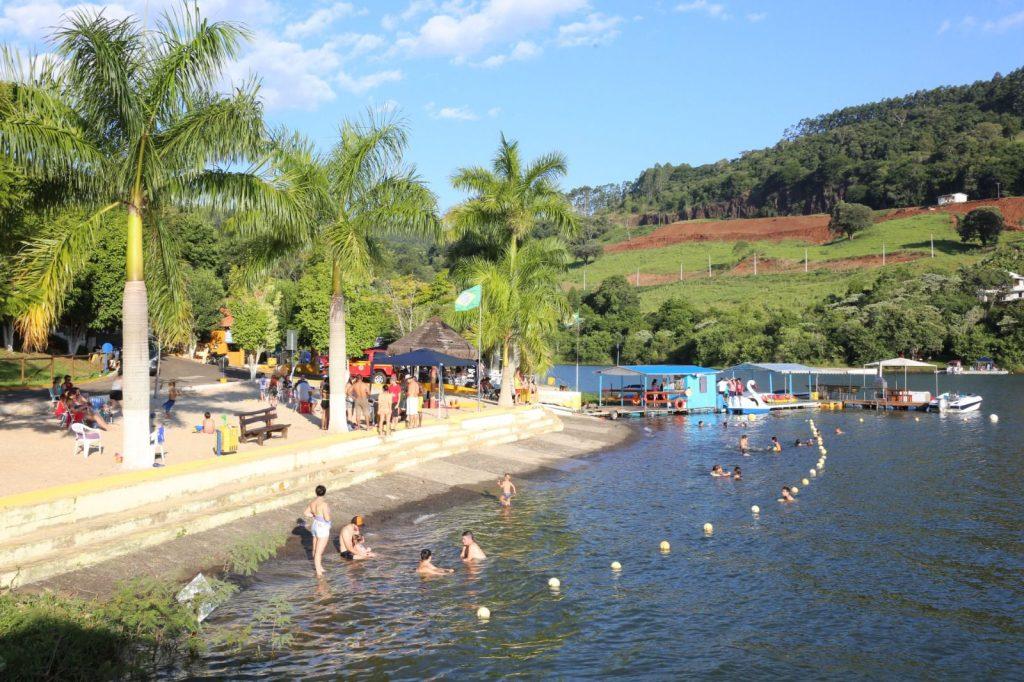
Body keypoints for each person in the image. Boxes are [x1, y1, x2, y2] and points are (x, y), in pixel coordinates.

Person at [303, 485, 332, 577]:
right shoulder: (324, 504)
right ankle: (319, 574)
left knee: (315, 548)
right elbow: (327, 519)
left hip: (315, 525)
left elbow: (306, 513)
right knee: (319, 551)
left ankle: (319, 567)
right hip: (322, 527)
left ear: (316, 492)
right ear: (324, 492)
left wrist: (314, 516)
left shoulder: (312, 503)